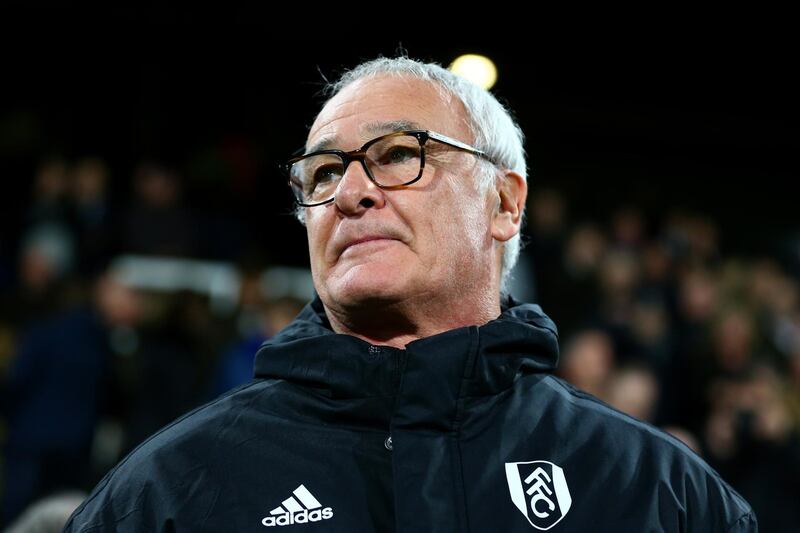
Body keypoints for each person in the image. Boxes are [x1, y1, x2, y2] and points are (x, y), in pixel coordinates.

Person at [64, 56, 757, 532]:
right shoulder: (165, 492)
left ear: (505, 205)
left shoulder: (659, 491)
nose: (353, 191)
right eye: (325, 171)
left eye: (399, 154)